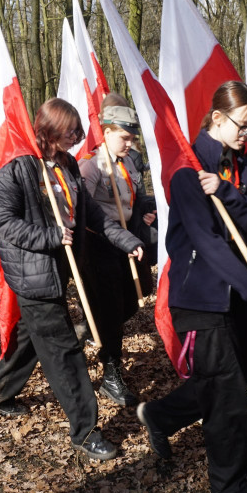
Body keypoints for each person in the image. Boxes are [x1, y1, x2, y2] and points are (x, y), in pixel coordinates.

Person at [135, 81, 247, 493]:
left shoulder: (236, 167)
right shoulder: (186, 168)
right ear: (217, 118)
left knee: (217, 383)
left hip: (234, 295)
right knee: (229, 396)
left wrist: (229, 192)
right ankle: (229, 487)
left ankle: (160, 415)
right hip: (199, 298)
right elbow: (207, 242)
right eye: (242, 125)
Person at [0, 98, 144, 461]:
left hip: (61, 267)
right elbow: (5, 224)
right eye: (71, 131)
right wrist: (50, 236)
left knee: (30, 338)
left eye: (78, 131)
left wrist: (127, 240)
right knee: (64, 350)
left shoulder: (68, 165)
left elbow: (94, 218)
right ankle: (85, 430)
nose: (78, 137)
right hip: (31, 273)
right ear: (50, 129)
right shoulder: (18, 169)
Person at [78, 99, 157, 407]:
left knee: (135, 299)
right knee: (113, 312)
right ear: (107, 132)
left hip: (127, 241)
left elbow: (134, 200)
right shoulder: (93, 164)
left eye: (132, 137)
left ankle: (93, 326)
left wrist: (145, 213)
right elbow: (81, 206)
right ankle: (111, 372)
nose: (130, 142)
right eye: (125, 136)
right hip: (100, 247)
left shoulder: (127, 164)